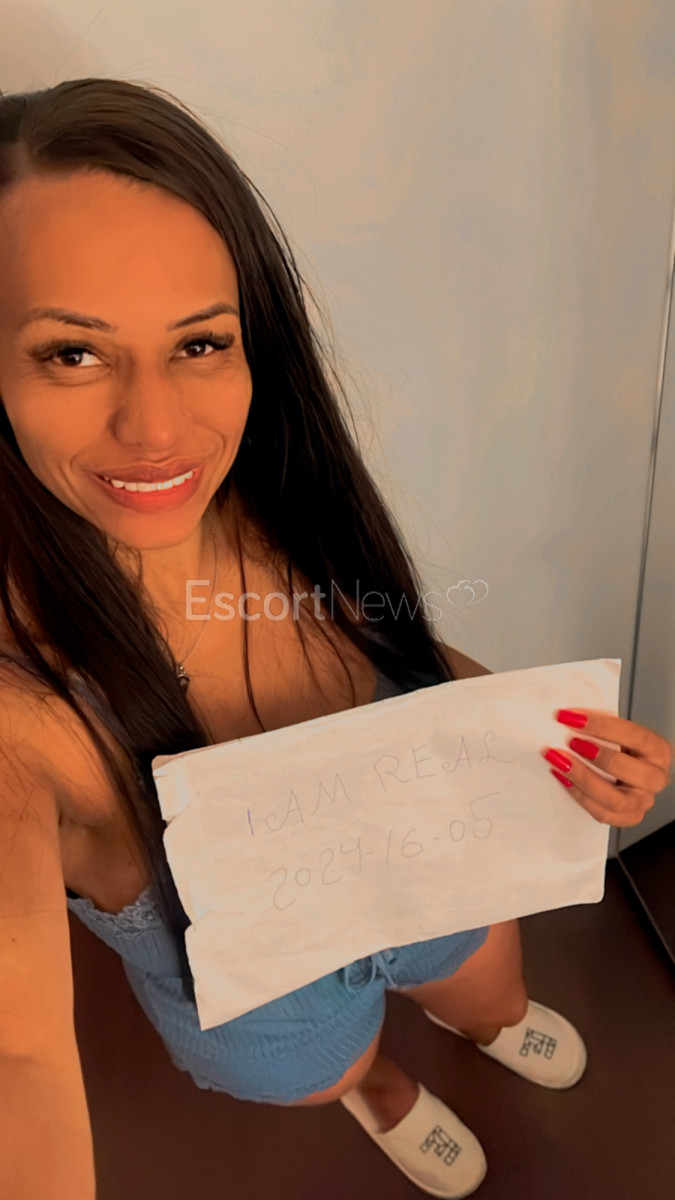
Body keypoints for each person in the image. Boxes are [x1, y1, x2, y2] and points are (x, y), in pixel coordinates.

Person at [0, 78, 670, 1200]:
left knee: (491, 991)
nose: (156, 428)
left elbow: (407, 665)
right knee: (334, 1068)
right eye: (72, 353)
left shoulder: (281, 503)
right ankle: (380, 1088)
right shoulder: (20, 703)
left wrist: (561, 740)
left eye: (200, 342)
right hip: (270, 1006)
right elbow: (18, 1059)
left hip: (428, 874)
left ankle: (482, 1025)